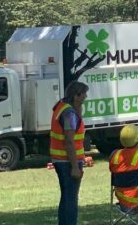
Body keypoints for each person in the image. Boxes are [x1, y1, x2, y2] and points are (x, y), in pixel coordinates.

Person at [51, 81, 88, 225]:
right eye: (84, 94)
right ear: (77, 96)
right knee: (71, 199)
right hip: (68, 162)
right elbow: (69, 141)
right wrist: (75, 167)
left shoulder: (61, 106)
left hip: (60, 159)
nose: (86, 97)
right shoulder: (69, 114)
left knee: (66, 197)